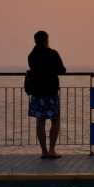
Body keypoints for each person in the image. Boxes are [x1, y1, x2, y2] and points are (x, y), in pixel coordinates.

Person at [26, 30, 67, 159]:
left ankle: (44, 151)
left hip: (37, 92)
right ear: (45, 40)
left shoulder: (32, 55)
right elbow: (61, 70)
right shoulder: (52, 53)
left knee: (40, 122)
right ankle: (52, 150)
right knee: (55, 120)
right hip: (51, 91)